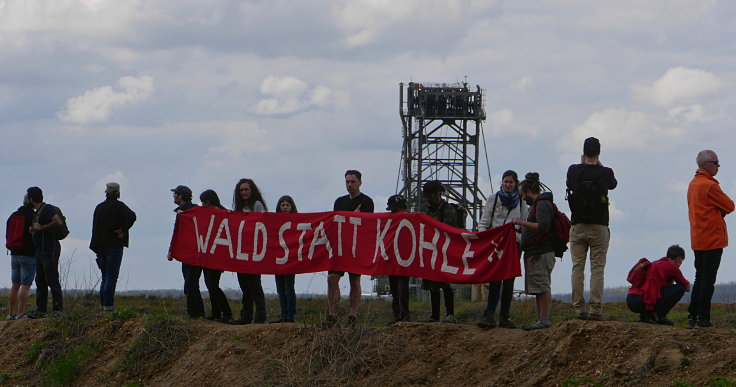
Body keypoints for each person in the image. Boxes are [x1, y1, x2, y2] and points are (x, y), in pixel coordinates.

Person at [566, 137, 618, 321]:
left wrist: (583, 164)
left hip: (578, 225)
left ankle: (579, 309)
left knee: (577, 268)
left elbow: (571, 184)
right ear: (599, 152)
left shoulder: (573, 170)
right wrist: (598, 165)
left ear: (583, 152)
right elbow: (613, 184)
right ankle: (595, 309)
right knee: (597, 268)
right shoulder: (606, 172)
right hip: (599, 225)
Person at [318, 170, 374, 329]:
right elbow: (336, 222)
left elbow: (365, 224)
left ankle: (352, 316)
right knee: (332, 277)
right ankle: (332, 315)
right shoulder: (339, 202)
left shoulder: (367, 201)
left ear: (360, 182)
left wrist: (349, 218)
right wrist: (351, 216)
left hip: (357, 247)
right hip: (340, 247)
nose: (349, 185)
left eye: (353, 182)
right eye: (347, 182)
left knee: (354, 280)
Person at [686, 150, 734, 328]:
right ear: (706, 164)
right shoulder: (709, 186)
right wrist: (719, 212)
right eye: (716, 162)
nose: (718, 166)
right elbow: (730, 205)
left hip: (697, 238)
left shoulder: (693, 184)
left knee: (700, 277)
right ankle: (703, 318)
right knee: (708, 279)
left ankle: (693, 315)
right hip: (712, 238)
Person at [477, 170, 527, 329]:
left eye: (511, 182)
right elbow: (484, 221)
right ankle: (489, 314)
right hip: (496, 243)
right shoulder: (494, 198)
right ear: (502, 182)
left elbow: (523, 224)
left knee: (509, 280)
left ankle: (504, 316)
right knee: (495, 278)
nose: (508, 185)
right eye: (506, 181)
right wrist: (481, 239)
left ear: (515, 184)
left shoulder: (521, 203)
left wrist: (519, 236)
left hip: (513, 244)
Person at [512, 173, 555, 330]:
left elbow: (543, 227)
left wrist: (521, 222)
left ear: (529, 191)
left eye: (522, 194)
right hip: (537, 252)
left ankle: (544, 319)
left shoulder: (542, 204)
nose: (522, 198)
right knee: (538, 287)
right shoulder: (539, 204)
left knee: (542, 286)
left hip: (540, 253)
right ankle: (541, 319)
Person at [90, 182, 137, 312]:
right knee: (111, 277)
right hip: (114, 246)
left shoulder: (99, 207)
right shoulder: (120, 207)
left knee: (105, 277)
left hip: (100, 247)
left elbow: (95, 228)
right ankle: (108, 307)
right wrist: (123, 229)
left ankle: (103, 306)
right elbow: (132, 216)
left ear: (106, 192)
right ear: (118, 193)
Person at [421, 180, 460, 324]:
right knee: (432, 285)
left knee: (445, 284)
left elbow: (449, 229)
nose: (428, 198)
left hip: (444, 251)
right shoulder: (426, 210)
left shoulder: (448, 209)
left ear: (438, 194)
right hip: (430, 251)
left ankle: (450, 314)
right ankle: (435, 315)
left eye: (430, 195)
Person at [231, 178, 267, 325]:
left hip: (254, 252)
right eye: (241, 190)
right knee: (244, 285)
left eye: (246, 189)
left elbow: (265, 221)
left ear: (251, 191)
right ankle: (245, 316)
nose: (244, 192)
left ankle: (260, 316)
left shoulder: (257, 205)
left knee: (255, 285)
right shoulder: (238, 207)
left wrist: (250, 217)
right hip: (242, 252)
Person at [627, 245, 691, 326]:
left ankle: (645, 316)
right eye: (681, 262)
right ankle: (660, 316)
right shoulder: (671, 266)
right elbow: (687, 287)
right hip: (641, 301)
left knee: (657, 291)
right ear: (679, 259)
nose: (680, 265)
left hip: (631, 300)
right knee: (680, 288)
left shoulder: (655, 263)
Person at [27, 187, 64, 318]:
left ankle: (58, 310)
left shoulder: (47, 209)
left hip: (49, 250)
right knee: (40, 280)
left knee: (52, 279)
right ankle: (41, 310)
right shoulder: (38, 211)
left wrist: (42, 228)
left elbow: (57, 221)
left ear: (31, 198)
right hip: (41, 250)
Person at [169, 185, 204, 319]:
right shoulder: (181, 211)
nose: (173, 196)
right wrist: (172, 249)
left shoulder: (194, 210)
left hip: (195, 254)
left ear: (181, 196)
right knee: (189, 284)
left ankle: (197, 313)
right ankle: (194, 313)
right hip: (187, 254)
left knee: (191, 283)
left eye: (175, 194)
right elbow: (177, 232)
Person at [199, 189, 233, 324]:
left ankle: (226, 312)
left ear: (208, 201)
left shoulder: (221, 213)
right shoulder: (213, 213)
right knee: (211, 284)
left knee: (212, 284)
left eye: (203, 202)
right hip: (209, 255)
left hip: (217, 255)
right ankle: (216, 313)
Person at [6, 194, 36, 320]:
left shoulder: (13, 216)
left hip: (14, 253)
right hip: (28, 254)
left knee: (15, 284)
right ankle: (21, 313)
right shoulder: (32, 216)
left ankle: (11, 314)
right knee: (25, 285)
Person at [272, 195, 298, 323]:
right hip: (278, 260)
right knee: (280, 289)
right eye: (283, 205)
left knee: (289, 288)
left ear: (292, 207)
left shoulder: (297, 221)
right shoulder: (274, 221)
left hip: (291, 260)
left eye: (287, 205)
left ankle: (290, 315)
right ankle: (283, 313)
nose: (285, 207)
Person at [386, 194, 411, 325]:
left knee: (402, 288)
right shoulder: (388, 221)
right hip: (392, 258)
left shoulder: (411, 220)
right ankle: (398, 315)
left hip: (405, 258)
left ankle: (404, 315)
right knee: (395, 289)